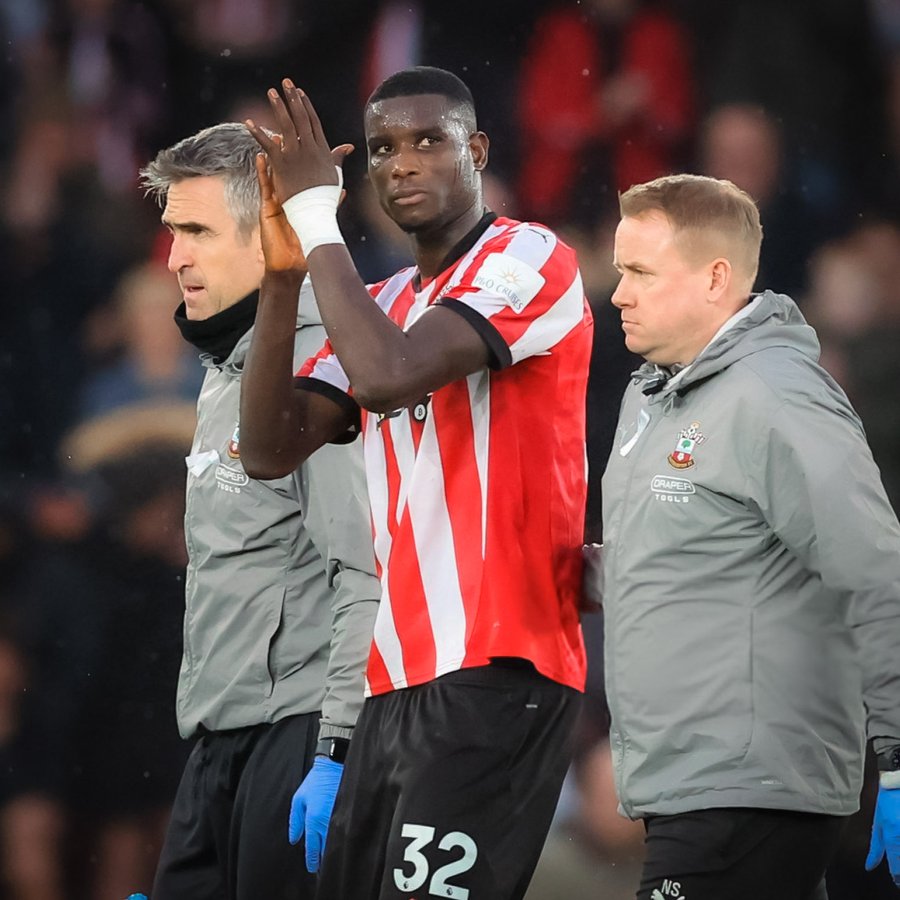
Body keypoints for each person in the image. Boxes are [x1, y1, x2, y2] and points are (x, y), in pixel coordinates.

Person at [238, 66, 593, 899]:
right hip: (390, 684)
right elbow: (267, 448)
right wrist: (286, 275)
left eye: (430, 140)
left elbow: (391, 376)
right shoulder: (388, 298)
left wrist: (316, 218)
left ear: (476, 151)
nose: (403, 162)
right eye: (386, 148)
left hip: (497, 670)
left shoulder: (531, 256)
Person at [600, 173, 900, 900]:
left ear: (714, 279)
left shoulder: (776, 395)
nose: (618, 294)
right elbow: (710, 555)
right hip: (691, 786)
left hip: (747, 789)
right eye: (618, 270)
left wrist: (896, 757)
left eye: (640, 272)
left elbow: (876, 569)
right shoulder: (650, 396)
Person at [137, 122, 380, 900]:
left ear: (269, 236)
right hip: (220, 742)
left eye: (199, 231)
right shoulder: (222, 366)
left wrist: (336, 749)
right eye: (173, 230)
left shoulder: (323, 366)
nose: (176, 257)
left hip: (298, 737)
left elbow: (366, 571)